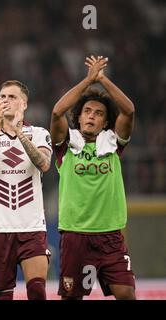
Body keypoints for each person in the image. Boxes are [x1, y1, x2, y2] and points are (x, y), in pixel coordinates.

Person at [50, 56, 136, 300]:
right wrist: (88, 81)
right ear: (78, 117)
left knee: (127, 294)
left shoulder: (113, 145)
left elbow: (129, 110)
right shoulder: (66, 147)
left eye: (98, 113)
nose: (91, 116)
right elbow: (57, 112)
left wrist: (102, 80)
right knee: (71, 297)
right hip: (75, 235)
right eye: (87, 111)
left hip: (110, 236)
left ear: (105, 122)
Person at [0, 80, 52, 300]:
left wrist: (19, 133)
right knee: (3, 296)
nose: (5, 100)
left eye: (12, 97)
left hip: (31, 226)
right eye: (2, 96)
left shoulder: (38, 133)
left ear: (24, 104)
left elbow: (44, 164)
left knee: (37, 291)